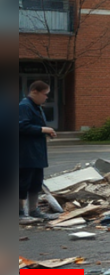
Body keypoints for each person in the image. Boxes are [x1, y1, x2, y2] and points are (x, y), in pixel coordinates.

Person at [19, 81, 57, 220]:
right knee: (23, 182)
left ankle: (34, 210)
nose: (47, 97)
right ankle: (19, 213)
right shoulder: (24, 106)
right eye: (45, 94)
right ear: (35, 91)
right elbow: (21, 126)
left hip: (36, 152)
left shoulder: (36, 106)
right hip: (25, 153)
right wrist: (43, 129)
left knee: (36, 182)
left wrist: (45, 132)